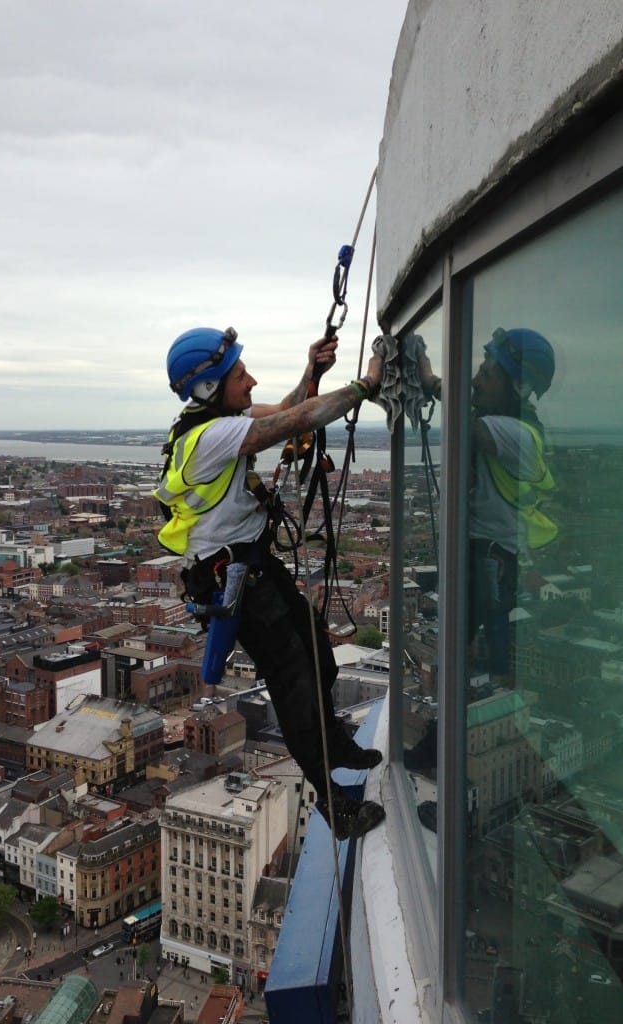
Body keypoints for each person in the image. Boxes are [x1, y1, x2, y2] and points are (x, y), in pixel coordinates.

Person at [154, 326, 387, 839]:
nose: (250, 379)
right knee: (294, 683)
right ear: (208, 386)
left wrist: (313, 370)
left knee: (318, 657)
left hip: (253, 565)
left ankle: (338, 746)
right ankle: (335, 806)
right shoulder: (211, 437)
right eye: (239, 374)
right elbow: (298, 420)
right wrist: (366, 386)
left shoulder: (220, 421)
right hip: (236, 580)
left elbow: (286, 407)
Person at [421, 327, 557, 685]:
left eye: (487, 373)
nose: (475, 380)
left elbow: (463, 420)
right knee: (463, 650)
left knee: (471, 658)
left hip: (491, 559)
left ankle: (458, 725)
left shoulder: (519, 434)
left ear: (517, 388)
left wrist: (432, 382)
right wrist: (430, 379)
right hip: (483, 553)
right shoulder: (502, 423)